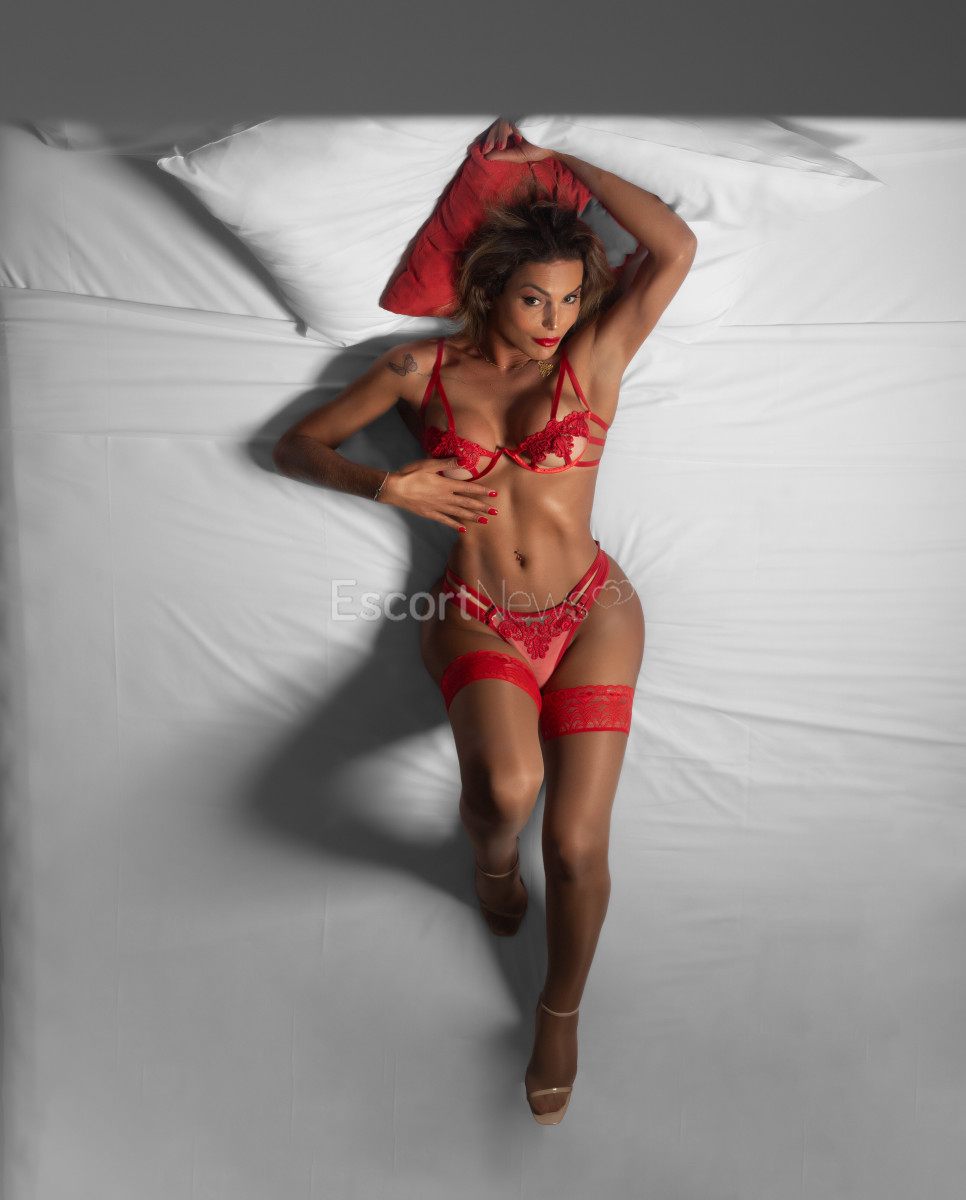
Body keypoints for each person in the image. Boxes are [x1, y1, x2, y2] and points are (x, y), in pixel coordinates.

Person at [272, 118, 696, 1124]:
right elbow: (295, 446)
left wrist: (556, 148)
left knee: (579, 847)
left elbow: (675, 247)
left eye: (571, 297)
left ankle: (559, 1010)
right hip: (477, 615)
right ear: (491, 290)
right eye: (534, 298)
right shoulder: (418, 373)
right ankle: (493, 864)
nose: (555, 318)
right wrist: (388, 487)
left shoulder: (594, 359)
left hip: (594, 613)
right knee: (507, 791)